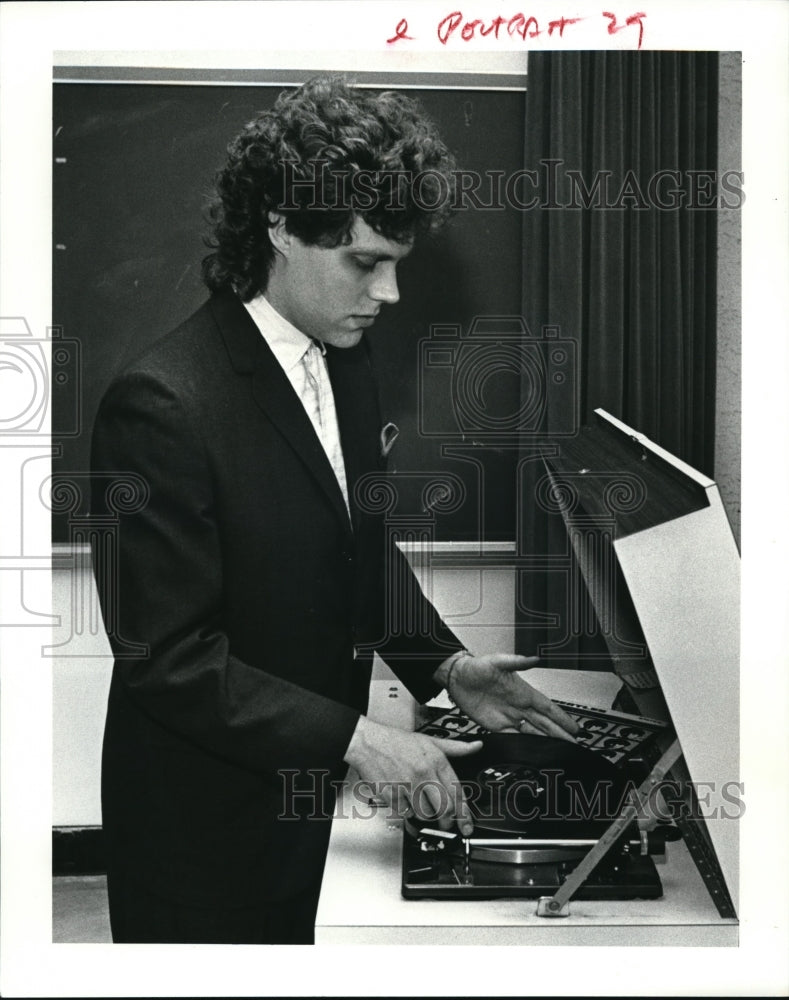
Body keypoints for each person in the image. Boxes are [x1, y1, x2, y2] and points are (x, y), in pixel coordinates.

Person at [91, 74, 578, 945]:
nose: (387, 294)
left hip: (310, 793)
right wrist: (360, 738)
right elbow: (167, 659)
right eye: (365, 262)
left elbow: (354, 549)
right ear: (280, 226)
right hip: (206, 827)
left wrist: (445, 668)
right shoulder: (161, 403)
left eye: (396, 263)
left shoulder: (344, 355)